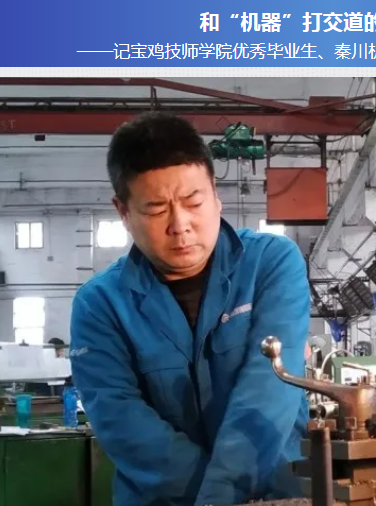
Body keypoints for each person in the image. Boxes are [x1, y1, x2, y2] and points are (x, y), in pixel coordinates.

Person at [69, 112, 311, 506]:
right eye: (155, 209)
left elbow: (267, 391)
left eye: (193, 202)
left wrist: (219, 496)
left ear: (215, 194)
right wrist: (217, 498)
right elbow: (121, 420)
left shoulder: (271, 263)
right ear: (123, 211)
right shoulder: (100, 305)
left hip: (274, 494)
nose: (180, 225)